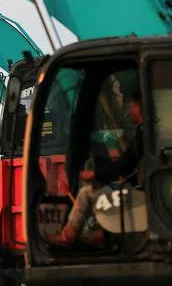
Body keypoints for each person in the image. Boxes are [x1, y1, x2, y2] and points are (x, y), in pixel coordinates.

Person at [49, 91, 145, 246]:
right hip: (139, 187)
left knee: (86, 193)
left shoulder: (143, 134)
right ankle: (101, 235)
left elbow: (126, 163)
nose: (129, 111)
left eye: (132, 106)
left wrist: (95, 173)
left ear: (140, 109)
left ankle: (68, 235)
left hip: (140, 192)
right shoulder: (148, 132)